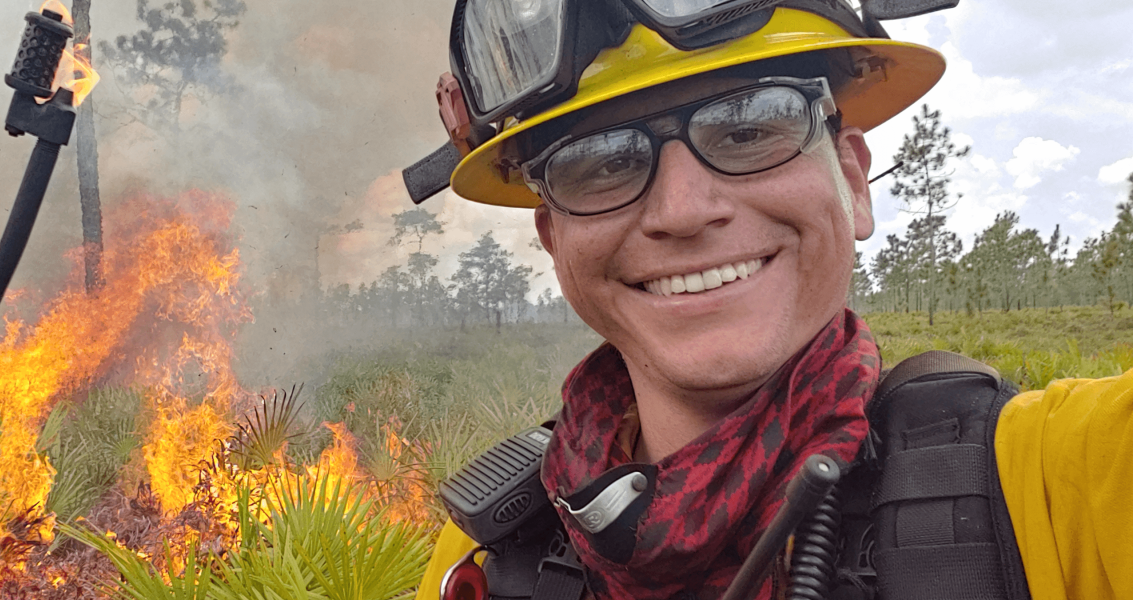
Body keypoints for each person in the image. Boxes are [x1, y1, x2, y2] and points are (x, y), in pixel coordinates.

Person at [406, 0, 1133, 598]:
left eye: (750, 128)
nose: (684, 210)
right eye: (600, 163)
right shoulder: (488, 556)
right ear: (554, 239)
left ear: (851, 181)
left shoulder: (1055, 481)